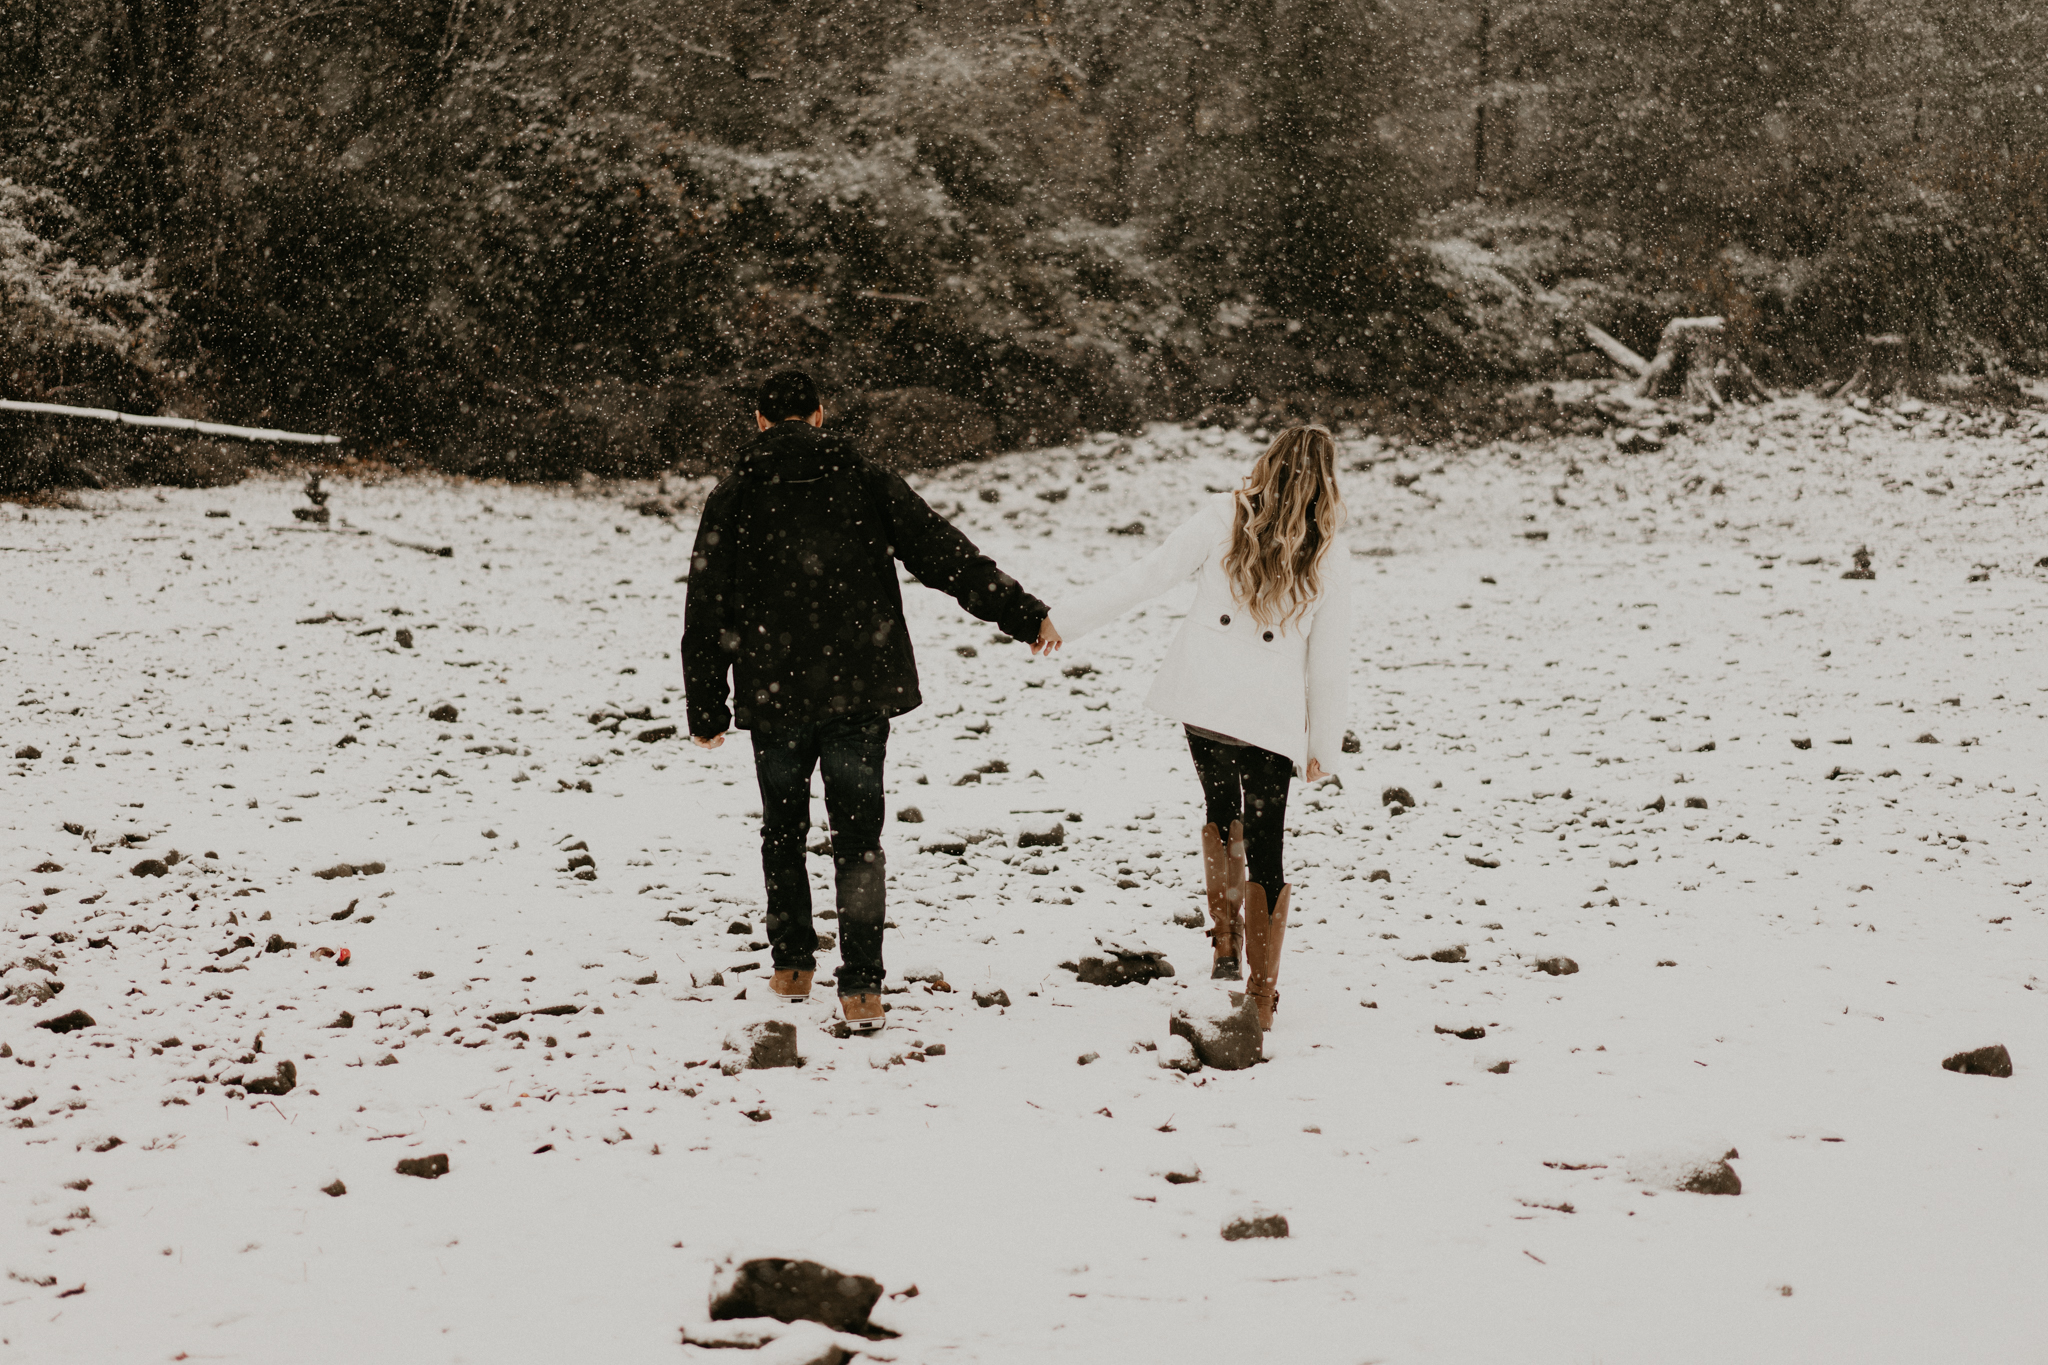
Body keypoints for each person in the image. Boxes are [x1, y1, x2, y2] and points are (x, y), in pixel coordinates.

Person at [682, 370, 1059, 1034]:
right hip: (859, 683)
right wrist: (1020, 613)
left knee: (782, 829)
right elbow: (943, 555)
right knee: (858, 839)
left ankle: (792, 964)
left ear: (761, 420)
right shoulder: (864, 479)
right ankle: (862, 987)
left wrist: (707, 703)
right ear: (820, 416)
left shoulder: (734, 494)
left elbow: (706, 603)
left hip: (775, 688)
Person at [1047, 425, 1350, 1029]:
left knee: (1220, 808)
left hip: (1206, 700)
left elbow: (1147, 575)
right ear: (1327, 481)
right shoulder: (1328, 547)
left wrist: (1061, 621)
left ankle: (1224, 944)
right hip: (1269, 715)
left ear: (1267, 462)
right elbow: (1331, 657)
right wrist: (1324, 747)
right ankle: (1261, 997)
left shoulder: (1223, 516)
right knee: (1268, 843)